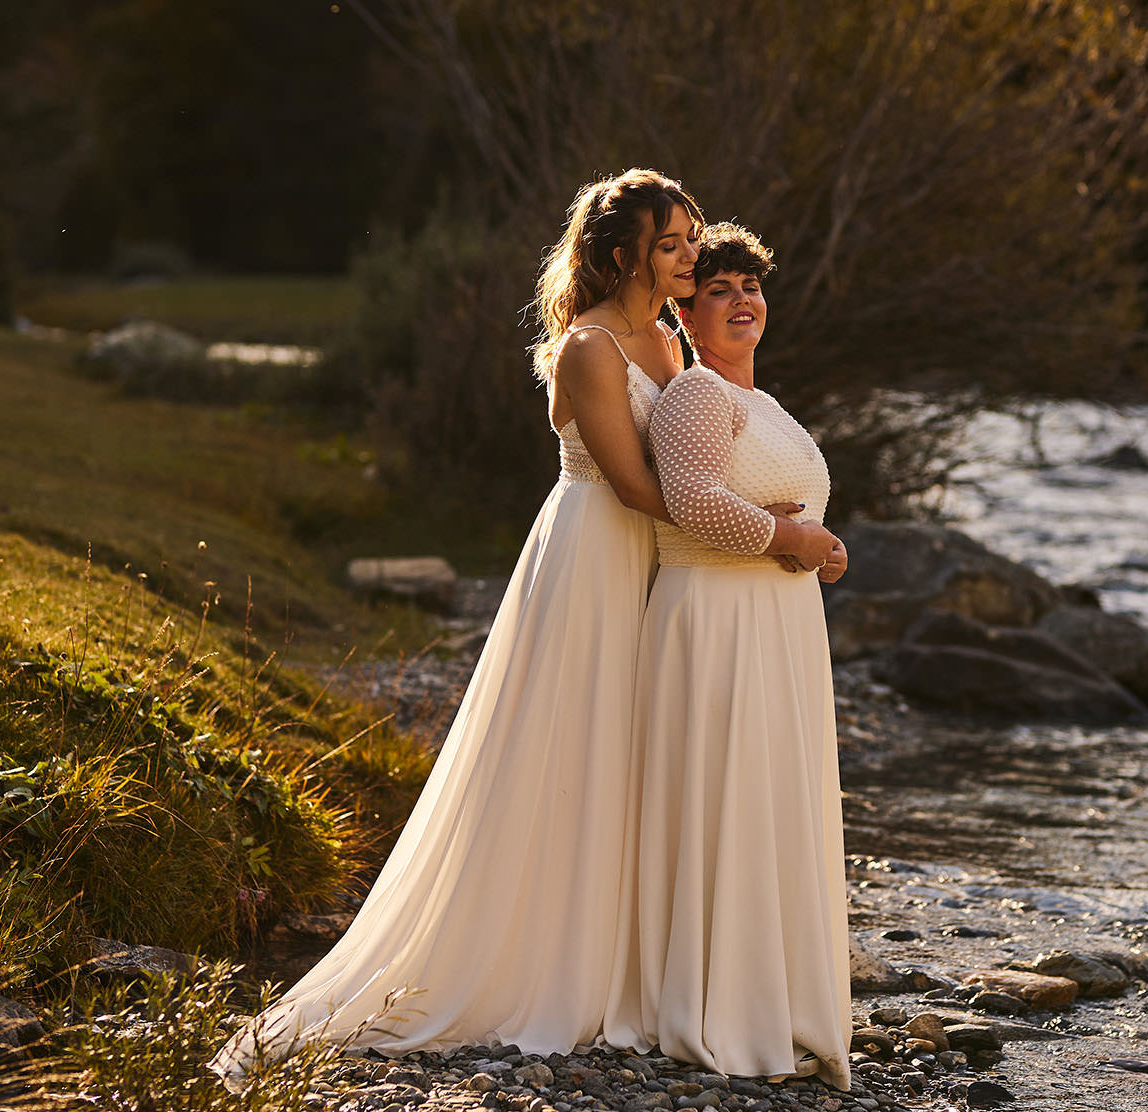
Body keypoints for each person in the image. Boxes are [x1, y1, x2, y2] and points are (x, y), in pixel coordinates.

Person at [211, 169, 732, 1083]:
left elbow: (698, 452)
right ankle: (539, 963)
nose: (692, 254)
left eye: (692, 237)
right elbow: (639, 484)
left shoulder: (669, 339)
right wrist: (755, 537)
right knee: (570, 745)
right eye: (673, 242)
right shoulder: (591, 348)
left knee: (634, 746)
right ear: (623, 256)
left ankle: (623, 961)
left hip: (653, 555)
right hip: (594, 552)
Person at [604, 222, 853, 1089]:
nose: (743, 300)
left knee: (771, 799)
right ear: (685, 310)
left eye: (751, 285)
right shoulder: (698, 396)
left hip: (777, 626)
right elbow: (696, 504)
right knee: (727, 796)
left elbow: (782, 509)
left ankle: (771, 995)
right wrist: (792, 533)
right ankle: (715, 1004)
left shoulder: (766, 403)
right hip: (715, 624)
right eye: (719, 289)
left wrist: (821, 546)